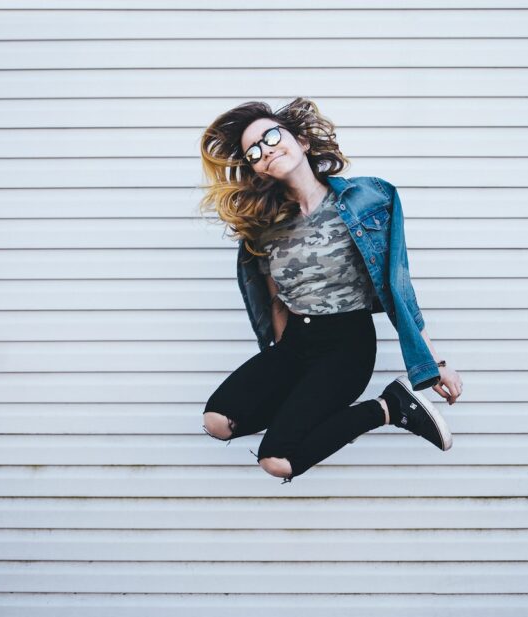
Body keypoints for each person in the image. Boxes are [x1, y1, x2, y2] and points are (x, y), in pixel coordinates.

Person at [197, 97, 463, 484]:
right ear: (256, 170)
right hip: (295, 344)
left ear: (301, 141)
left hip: (346, 346)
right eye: (253, 152)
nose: (265, 150)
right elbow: (273, 299)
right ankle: (312, 406)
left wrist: (433, 364)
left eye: (271, 136)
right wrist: (277, 360)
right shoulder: (263, 227)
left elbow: (398, 287)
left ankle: (388, 407)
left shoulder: (369, 200)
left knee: (277, 461)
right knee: (218, 421)